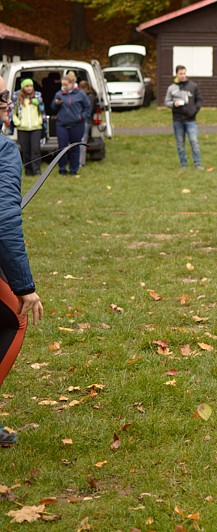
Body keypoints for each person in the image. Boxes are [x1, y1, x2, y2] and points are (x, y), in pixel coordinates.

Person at [0, 74, 44, 447]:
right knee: (15, 318)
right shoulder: (4, 149)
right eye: (2, 99)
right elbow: (4, 220)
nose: (7, 104)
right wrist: (25, 287)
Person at [51, 72, 91, 176]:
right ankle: (62, 168)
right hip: (62, 125)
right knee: (62, 147)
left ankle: (73, 169)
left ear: (72, 83)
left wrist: (81, 116)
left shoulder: (80, 94)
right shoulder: (59, 94)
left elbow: (88, 107)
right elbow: (53, 108)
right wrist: (56, 104)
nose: (63, 87)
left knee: (75, 147)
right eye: (62, 84)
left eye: (66, 85)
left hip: (77, 125)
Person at [164, 65, 203, 171]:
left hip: (190, 120)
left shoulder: (193, 86)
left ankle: (198, 164)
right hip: (177, 120)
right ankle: (183, 164)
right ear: (176, 74)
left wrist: (194, 110)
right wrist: (173, 104)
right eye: (181, 73)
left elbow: (199, 100)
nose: (183, 75)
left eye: (184, 73)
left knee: (194, 141)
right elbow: (166, 102)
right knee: (180, 143)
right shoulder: (172, 88)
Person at [11, 78, 44, 176]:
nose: (29, 88)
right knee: (25, 150)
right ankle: (28, 170)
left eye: (31, 86)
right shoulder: (17, 98)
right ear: (22, 87)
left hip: (36, 127)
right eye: (27, 86)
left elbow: (42, 110)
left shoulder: (38, 96)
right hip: (22, 128)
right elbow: (13, 111)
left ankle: (37, 170)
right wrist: (18, 122)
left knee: (36, 150)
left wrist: (40, 121)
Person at [77, 80, 97, 167]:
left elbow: (90, 110)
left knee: (82, 141)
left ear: (85, 88)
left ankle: (81, 162)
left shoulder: (90, 97)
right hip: (85, 121)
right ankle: (79, 161)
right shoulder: (89, 96)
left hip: (86, 121)